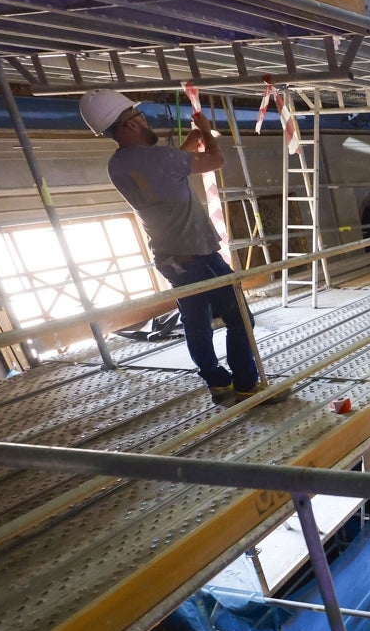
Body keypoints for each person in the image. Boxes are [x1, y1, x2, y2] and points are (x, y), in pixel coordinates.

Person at [79, 89, 262, 401]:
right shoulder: (163, 158)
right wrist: (205, 131)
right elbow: (216, 160)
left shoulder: (118, 165)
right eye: (139, 116)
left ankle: (217, 381)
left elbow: (169, 164)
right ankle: (247, 385)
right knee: (241, 319)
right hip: (200, 254)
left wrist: (190, 143)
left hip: (169, 258)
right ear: (130, 125)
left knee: (197, 321)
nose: (145, 119)